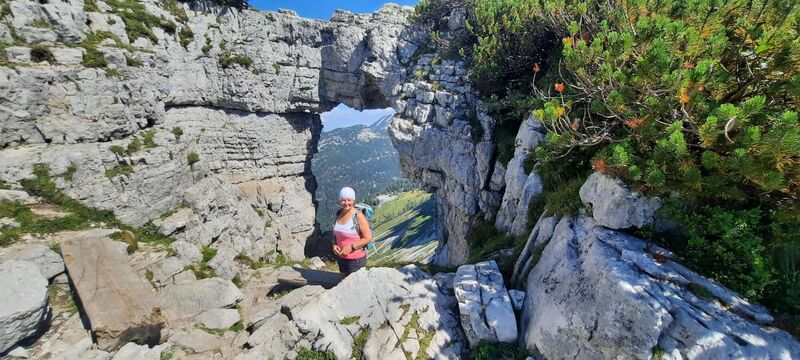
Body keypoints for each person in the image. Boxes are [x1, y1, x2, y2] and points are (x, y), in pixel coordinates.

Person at [332, 186, 371, 276]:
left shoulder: (358, 216)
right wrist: (334, 244)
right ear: (339, 201)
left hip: (356, 260)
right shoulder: (339, 213)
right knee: (343, 283)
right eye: (343, 200)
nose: (346, 203)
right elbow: (336, 234)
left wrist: (351, 248)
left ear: (353, 201)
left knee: (357, 287)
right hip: (341, 258)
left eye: (349, 200)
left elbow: (368, 238)